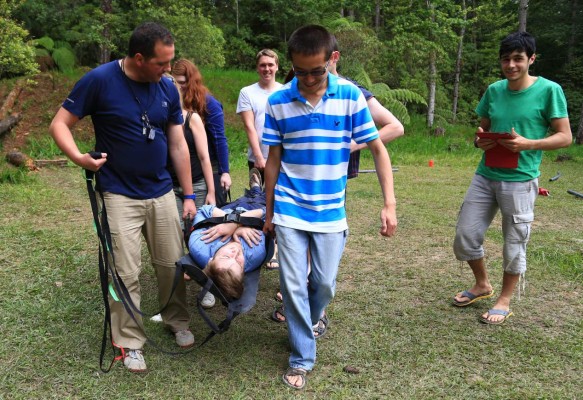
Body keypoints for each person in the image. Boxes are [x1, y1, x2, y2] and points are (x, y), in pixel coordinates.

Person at [48, 22, 195, 373]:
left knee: (172, 264)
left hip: (161, 191)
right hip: (117, 193)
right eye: (161, 63)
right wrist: (79, 158)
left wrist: (188, 194)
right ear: (139, 58)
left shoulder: (167, 89)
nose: (167, 71)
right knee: (124, 271)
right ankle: (130, 342)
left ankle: (177, 320)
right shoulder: (99, 80)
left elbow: (177, 144)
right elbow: (59, 123)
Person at [262, 25, 398, 390]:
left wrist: (389, 204)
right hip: (290, 205)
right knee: (292, 285)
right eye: (300, 71)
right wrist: (269, 209)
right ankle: (301, 356)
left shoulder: (351, 96)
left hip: (330, 210)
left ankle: (312, 313)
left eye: (316, 71)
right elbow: (272, 160)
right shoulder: (277, 101)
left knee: (322, 282)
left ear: (333, 59)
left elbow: (378, 148)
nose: (307, 79)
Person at [452, 31, 572, 325]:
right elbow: (481, 132)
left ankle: (504, 300)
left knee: (514, 241)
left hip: (520, 179)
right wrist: (480, 141)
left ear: (531, 59)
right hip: (485, 174)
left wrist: (528, 143)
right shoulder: (494, 90)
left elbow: (565, 136)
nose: (511, 65)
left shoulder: (549, 90)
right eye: (506, 59)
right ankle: (482, 285)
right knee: (465, 236)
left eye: (518, 58)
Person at [188, 168, 268, 299]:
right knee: (263, 198)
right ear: (244, 271)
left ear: (210, 260)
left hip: (229, 209)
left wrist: (233, 222)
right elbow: (267, 215)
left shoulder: (199, 245)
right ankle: (257, 190)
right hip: (255, 209)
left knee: (246, 199)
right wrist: (237, 224)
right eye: (239, 263)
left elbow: (205, 209)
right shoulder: (255, 253)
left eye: (225, 257)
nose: (234, 253)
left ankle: (255, 189)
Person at [236, 49, 283, 271]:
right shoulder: (247, 92)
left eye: (270, 65)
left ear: (277, 67)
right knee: (260, 203)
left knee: (279, 201)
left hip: (282, 157)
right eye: (263, 65)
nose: (267, 69)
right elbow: (249, 126)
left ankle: (276, 250)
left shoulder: (285, 91)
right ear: (257, 67)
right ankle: (261, 247)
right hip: (259, 159)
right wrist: (258, 157)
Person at [179, 59, 232, 206]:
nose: (179, 86)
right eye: (176, 82)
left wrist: (225, 172)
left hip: (211, 166)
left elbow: (219, 139)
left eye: (183, 82)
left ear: (191, 81)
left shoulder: (209, 103)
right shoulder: (173, 102)